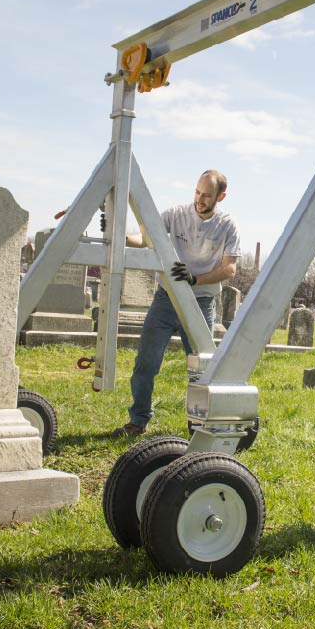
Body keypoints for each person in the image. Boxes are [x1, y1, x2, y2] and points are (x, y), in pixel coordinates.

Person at [109, 170, 241, 437]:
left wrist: (196, 279)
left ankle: (199, 425)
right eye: (197, 192)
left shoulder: (227, 225)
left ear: (221, 197)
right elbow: (146, 238)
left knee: (202, 370)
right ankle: (138, 421)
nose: (199, 200)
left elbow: (230, 269)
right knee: (146, 362)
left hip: (201, 302)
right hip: (165, 300)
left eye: (206, 196)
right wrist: (120, 236)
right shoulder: (176, 214)